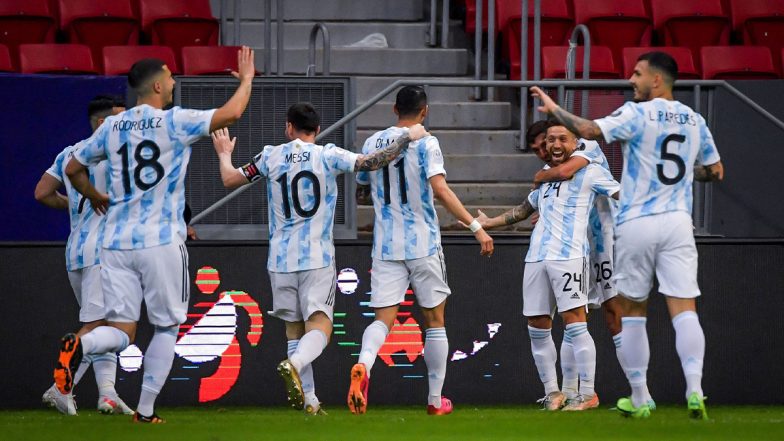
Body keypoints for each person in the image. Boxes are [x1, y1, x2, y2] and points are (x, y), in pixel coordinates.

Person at [54, 46, 256, 423]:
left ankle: (81, 343)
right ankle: (145, 411)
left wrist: (96, 196)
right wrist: (246, 80)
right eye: (172, 77)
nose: (176, 82)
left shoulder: (113, 125)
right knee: (166, 326)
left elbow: (72, 166)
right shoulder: (173, 121)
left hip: (114, 243)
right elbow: (233, 113)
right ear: (159, 85)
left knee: (123, 330)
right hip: (160, 240)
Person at [531, 50, 724, 419]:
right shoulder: (695, 119)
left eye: (637, 74)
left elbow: (587, 131)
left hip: (638, 220)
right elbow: (715, 171)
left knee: (633, 311)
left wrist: (554, 108)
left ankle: (638, 397)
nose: (631, 81)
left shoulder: (636, 113)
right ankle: (696, 390)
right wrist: (686, 175)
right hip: (679, 221)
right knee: (684, 308)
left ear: (656, 80)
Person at [210, 102, 429, 415]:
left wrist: (223, 153)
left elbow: (230, 180)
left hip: (281, 259)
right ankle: (295, 364)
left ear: (289, 127)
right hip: (316, 256)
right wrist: (406, 138)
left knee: (293, 330)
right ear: (316, 128)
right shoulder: (329, 154)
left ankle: (310, 402)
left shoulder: (271, 156)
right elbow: (370, 163)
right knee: (321, 328)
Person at [348, 85, 494, 416]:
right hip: (422, 243)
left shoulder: (372, 143)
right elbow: (440, 189)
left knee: (383, 319)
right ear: (424, 112)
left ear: (393, 109)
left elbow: (360, 189)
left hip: (386, 244)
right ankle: (434, 400)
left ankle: (364, 365)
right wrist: (476, 227)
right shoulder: (426, 142)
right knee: (434, 319)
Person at [476, 123, 620, 412]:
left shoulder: (591, 172)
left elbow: (623, 196)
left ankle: (588, 393)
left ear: (574, 143)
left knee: (575, 322)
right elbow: (523, 210)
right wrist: (487, 222)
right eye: (551, 139)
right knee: (537, 326)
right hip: (536, 258)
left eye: (562, 139)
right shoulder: (546, 180)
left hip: (569, 257)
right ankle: (553, 393)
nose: (555, 144)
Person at [528, 124, 656, 410]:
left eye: (545, 144)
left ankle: (641, 394)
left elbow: (561, 172)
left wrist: (541, 177)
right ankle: (572, 391)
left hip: (607, 240)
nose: (545, 151)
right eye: (539, 149)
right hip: (576, 245)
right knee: (571, 316)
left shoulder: (587, 149)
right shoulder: (554, 174)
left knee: (614, 314)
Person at [35, 95, 131, 416]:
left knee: (104, 323)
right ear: (103, 124)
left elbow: (42, 193)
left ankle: (107, 393)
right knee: (98, 327)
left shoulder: (68, 153)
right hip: (103, 251)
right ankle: (60, 387)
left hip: (75, 250)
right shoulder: (115, 154)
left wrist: (69, 205)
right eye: (119, 119)